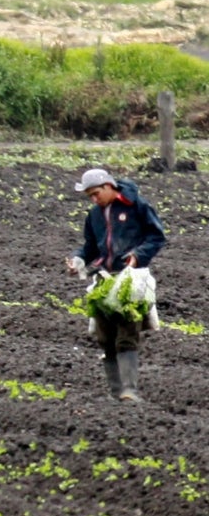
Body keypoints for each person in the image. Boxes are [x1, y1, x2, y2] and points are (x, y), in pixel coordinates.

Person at [65, 168, 165, 402]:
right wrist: (78, 260)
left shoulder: (136, 205)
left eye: (96, 193)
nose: (94, 199)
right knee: (105, 337)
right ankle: (115, 392)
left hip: (131, 279)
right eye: (89, 196)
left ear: (109, 186)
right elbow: (90, 246)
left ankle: (129, 390)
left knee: (127, 334)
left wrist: (138, 255)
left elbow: (157, 236)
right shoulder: (94, 215)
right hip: (104, 279)